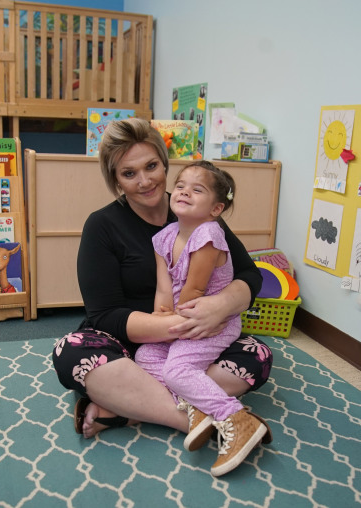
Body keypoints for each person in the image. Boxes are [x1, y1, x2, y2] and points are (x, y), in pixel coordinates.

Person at [51, 117, 273, 468]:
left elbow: (249, 274)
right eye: (129, 173)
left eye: (152, 166)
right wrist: (178, 324)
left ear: (164, 163)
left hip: (198, 337)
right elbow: (104, 314)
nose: (145, 181)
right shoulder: (102, 226)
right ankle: (211, 418)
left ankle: (126, 409)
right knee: (72, 353)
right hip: (134, 342)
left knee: (257, 356)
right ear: (115, 181)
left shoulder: (199, 210)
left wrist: (222, 305)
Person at [135, 160, 270, 476]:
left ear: (216, 208)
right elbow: (164, 292)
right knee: (144, 355)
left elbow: (194, 291)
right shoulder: (165, 236)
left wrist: (174, 327)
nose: (184, 192)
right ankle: (196, 406)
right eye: (180, 185)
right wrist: (161, 321)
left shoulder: (209, 234)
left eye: (197, 190)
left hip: (212, 323)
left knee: (178, 370)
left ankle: (238, 419)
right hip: (182, 318)